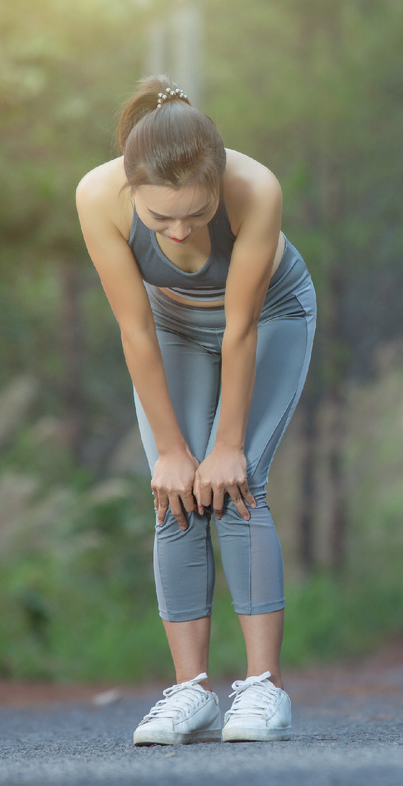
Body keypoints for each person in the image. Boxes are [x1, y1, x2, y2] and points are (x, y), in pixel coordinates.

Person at [75, 76, 315, 744]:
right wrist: (175, 451)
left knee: (237, 484)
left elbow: (241, 329)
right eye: (159, 221)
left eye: (195, 212)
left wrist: (226, 444)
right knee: (174, 491)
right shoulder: (97, 197)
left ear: (217, 176)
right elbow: (135, 331)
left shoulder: (255, 188)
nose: (178, 232)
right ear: (130, 189)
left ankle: (263, 690)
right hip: (171, 330)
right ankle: (190, 693)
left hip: (269, 318)